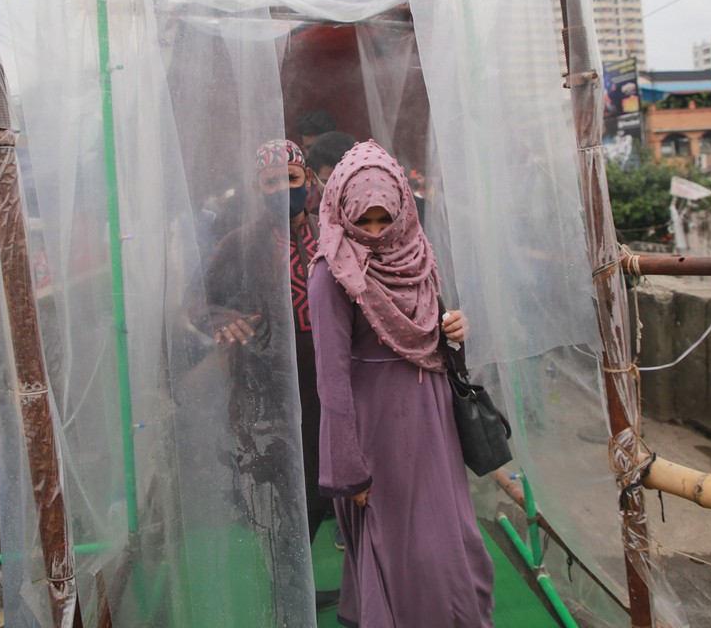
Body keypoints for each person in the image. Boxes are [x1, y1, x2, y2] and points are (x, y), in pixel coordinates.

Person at [308, 140, 494, 627]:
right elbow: (330, 376)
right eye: (362, 221)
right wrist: (350, 471)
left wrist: (455, 330)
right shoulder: (332, 273)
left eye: (382, 220)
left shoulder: (417, 253)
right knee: (402, 546)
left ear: (403, 211)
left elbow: (430, 331)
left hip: (432, 416)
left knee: (453, 536)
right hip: (377, 429)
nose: (373, 233)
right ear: (342, 208)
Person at [196, 139, 337, 610]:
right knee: (279, 496)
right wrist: (221, 318)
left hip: (329, 387)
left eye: (291, 179)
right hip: (266, 388)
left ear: (307, 181)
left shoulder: (333, 235)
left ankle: (318, 582)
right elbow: (198, 302)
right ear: (258, 189)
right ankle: (289, 591)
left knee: (324, 486)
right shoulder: (239, 243)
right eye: (270, 182)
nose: (282, 189)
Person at [305, 130, 357, 215]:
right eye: (328, 182)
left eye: (344, 181)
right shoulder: (303, 211)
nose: (338, 191)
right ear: (313, 177)